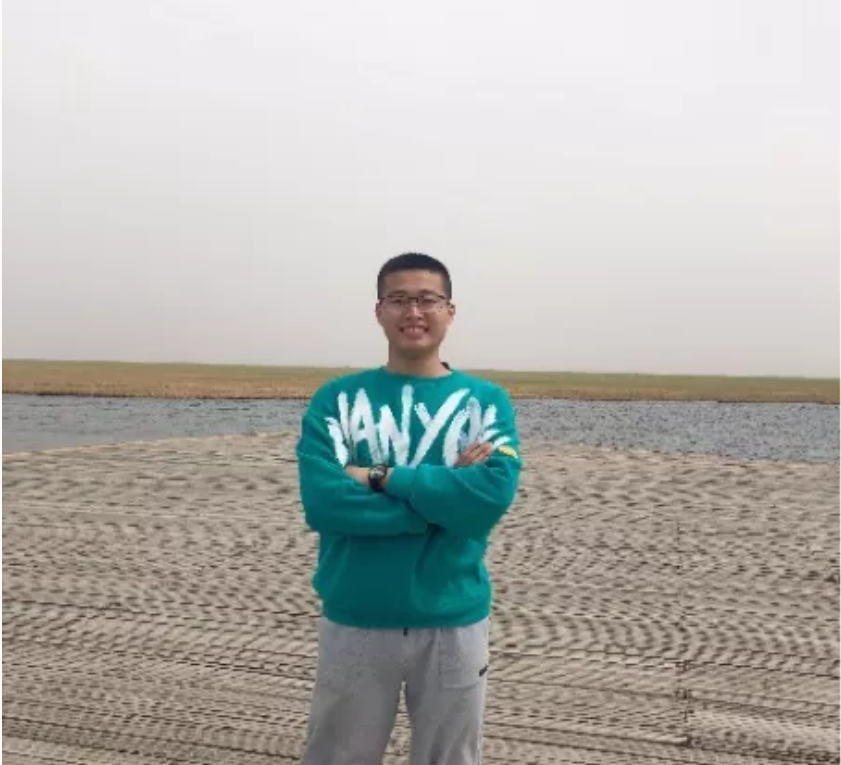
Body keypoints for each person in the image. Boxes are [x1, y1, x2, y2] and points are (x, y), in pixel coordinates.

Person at [296, 252, 523, 765]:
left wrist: (382, 477)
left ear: (450, 311)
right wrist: (442, 504)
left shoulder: (485, 402)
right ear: (379, 311)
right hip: (356, 615)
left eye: (427, 299)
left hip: (453, 619)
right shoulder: (337, 400)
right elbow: (324, 502)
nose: (413, 312)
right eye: (398, 299)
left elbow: (490, 497)